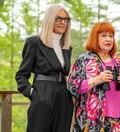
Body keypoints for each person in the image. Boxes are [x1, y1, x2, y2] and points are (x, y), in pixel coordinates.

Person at [15, 4, 73, 132]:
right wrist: (32, 93)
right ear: (50, 19)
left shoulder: (67, 47)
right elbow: (21, 75)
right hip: (42, 93)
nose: (63, 22)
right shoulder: (34, 42)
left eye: (66, 19)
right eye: (58, 18)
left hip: (63, 95)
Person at [69, 21, 120, 131]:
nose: (108, 39)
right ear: (95, 38)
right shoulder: (84, 59)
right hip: (92, 122)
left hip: (119, 123)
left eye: (111, 36)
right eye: (104, 35)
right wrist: (96, 80)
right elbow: (73, 87)